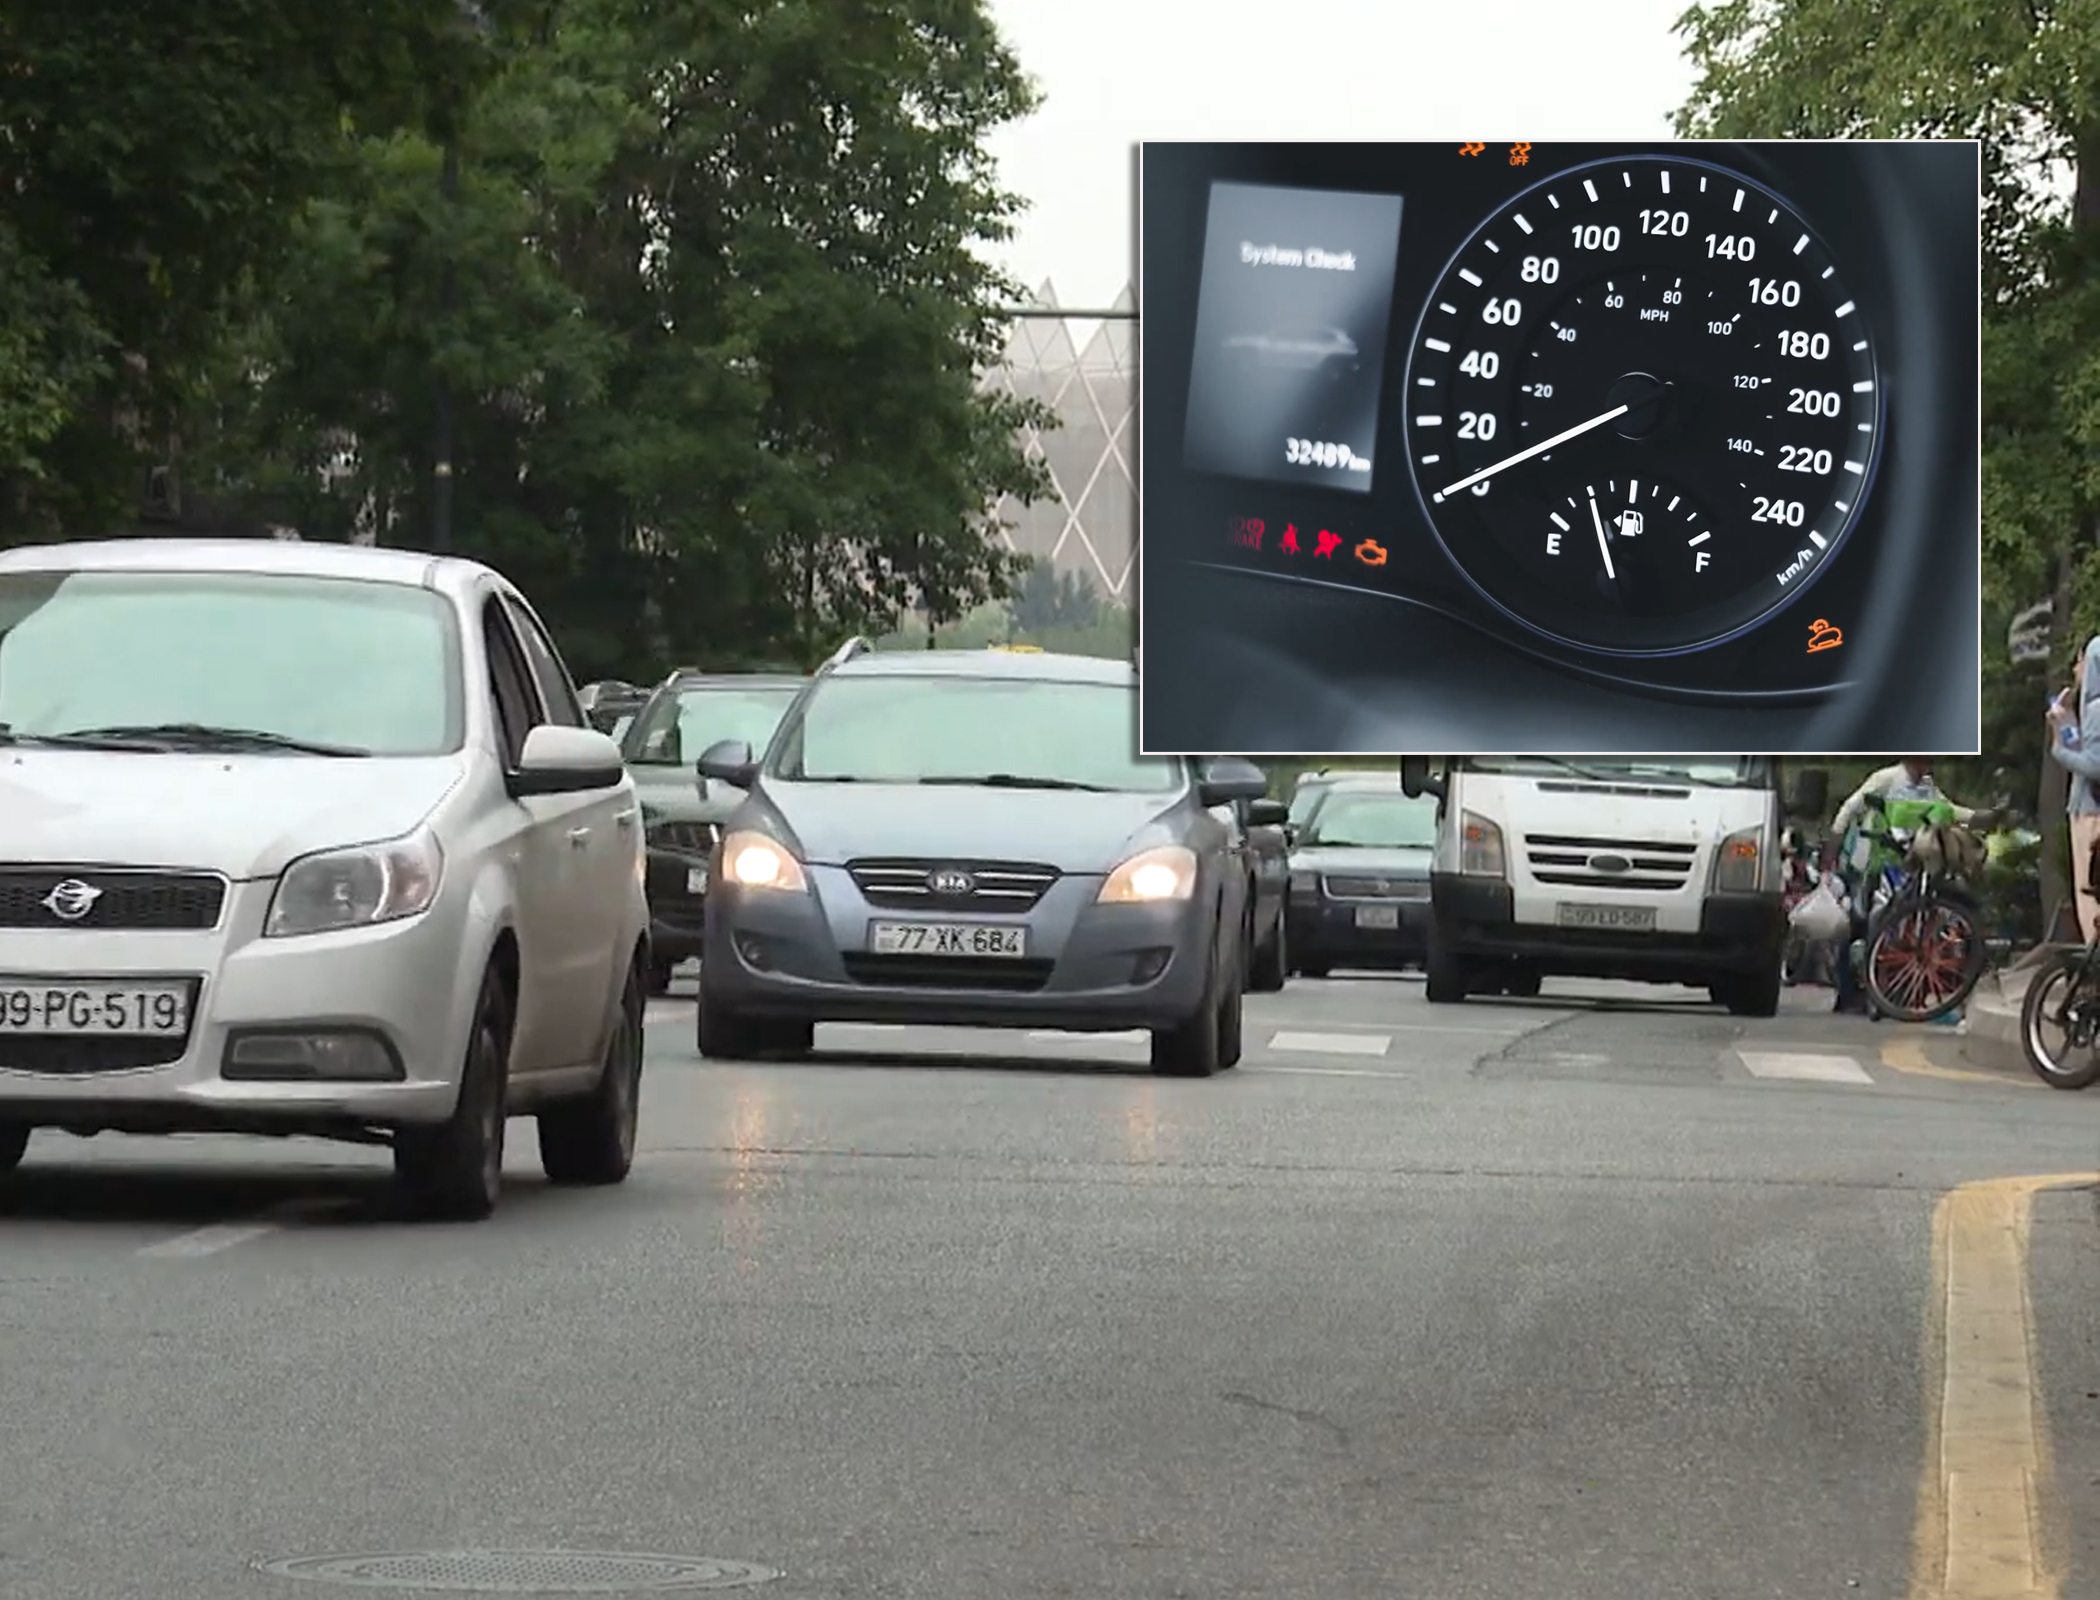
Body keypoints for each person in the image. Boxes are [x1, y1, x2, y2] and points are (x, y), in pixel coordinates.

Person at [1827, 758, 1985, 1014]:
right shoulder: (1886, 779)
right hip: (1877, 859)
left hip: (1911, 859)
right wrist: (1834, 842)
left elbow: (1947, 809)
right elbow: (1852, 807)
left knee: (1909, 921)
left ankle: (1894, 990)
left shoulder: (1926, 786)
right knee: (1865, 921)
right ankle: (1850, 992)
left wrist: (1979, 817)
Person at [2048, 635, 2100, 944]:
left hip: (2090, 813)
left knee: (2089, 893)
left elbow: (2093, 765)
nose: (2076, 669)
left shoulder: (2096, 707)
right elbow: (2085, 748)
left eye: (2081, 661)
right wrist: (2066, 721)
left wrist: (2058, 747)